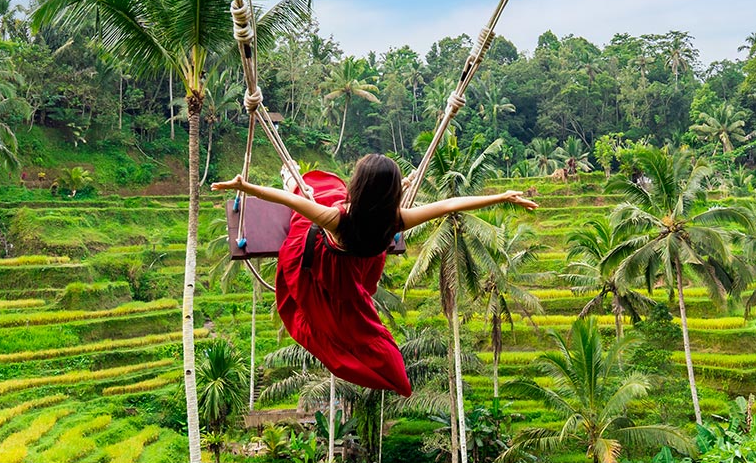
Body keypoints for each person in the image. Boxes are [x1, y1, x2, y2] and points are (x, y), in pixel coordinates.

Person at [211, 153, 538, 396]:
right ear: (393, 193)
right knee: (374, 341)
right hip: (352, 277)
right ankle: (294, 174)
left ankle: (292, 173)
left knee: (313, 191)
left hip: (314, 263)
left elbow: (288, 201)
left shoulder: (336, 218)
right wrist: (501, 197)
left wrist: (246, 186)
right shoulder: (396, 220)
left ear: (360, 186)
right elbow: (450, 204)